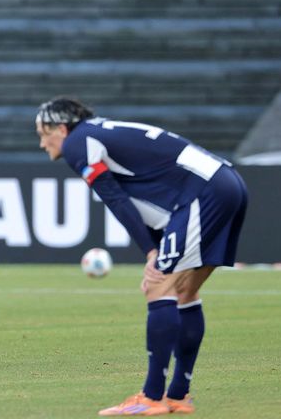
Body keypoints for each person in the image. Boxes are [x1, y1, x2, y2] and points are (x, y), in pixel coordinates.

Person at [35, 97, 248, 416]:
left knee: (158, 285)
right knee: (184, 290)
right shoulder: (100, 130)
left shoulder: (78, 142)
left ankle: (151, 397)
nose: (41, 143)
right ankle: (177, 395)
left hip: (202, 195)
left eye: (43, 133)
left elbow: (114, 198)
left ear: (62, 128)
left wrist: (151, 251)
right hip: (228, 183)